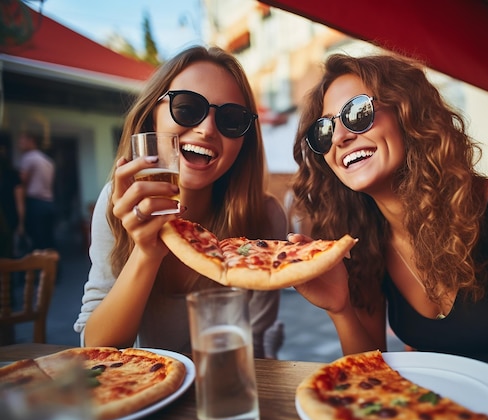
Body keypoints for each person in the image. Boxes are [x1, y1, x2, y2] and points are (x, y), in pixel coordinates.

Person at [288, 52, 488, 383]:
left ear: (408, 113)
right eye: (324, 130)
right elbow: (372, 378)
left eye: (358, 113)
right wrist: (341, 309)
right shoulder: (361, 242)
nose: (339, 137)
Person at [73, 46, 287, 358]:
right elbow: (95, 350)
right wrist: (147, 252)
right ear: (152, 116)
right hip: (142, 393)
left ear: (245, 140)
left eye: (231, 119)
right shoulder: (115, 203)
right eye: (187, 108)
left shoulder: (264, 217)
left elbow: (250, 350)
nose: (207, 129)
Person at [18, 132, 55, 250]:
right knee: (49, 240)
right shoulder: (48, 161)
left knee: (37, 242)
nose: (20, 144)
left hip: (35, 203)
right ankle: (53, 267)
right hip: (48, 203)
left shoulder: (28, 158)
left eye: (23, 140)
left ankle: (39, 267)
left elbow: (22, 182)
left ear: (31, 141)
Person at [0, 141, 25, 258]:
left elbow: (19, 200)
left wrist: (21, 224)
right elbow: (19, 201)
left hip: (7, 219)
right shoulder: (12, 174)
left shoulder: (11, 175)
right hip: (8, 218)